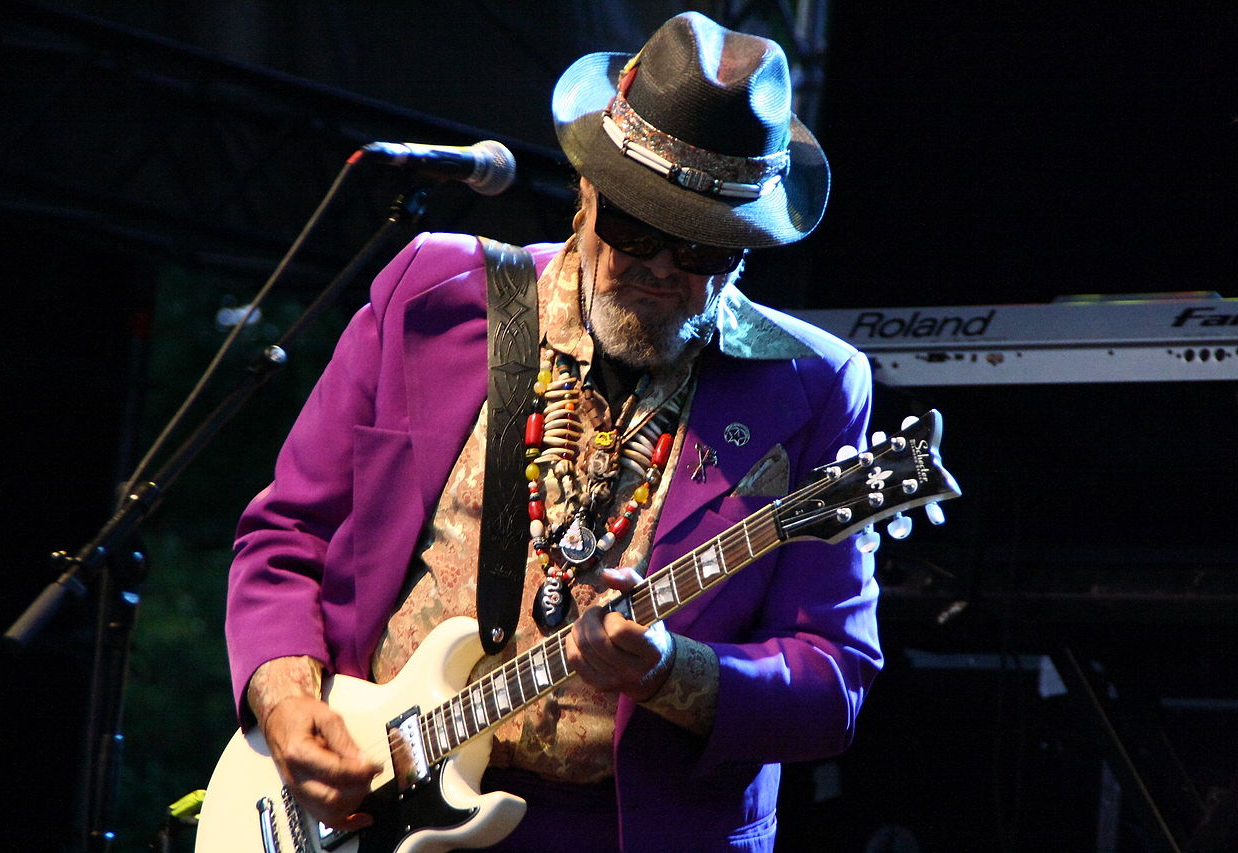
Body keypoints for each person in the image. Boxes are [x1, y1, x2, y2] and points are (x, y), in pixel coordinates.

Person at [224, 11, 881, 851]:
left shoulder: (816, 386)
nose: (661, 272)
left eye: (702, 254)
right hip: (373, 806)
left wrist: (676, 673)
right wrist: (284, 700)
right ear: (588, 193)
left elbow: (833, 681)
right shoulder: (432, 294)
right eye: (637, 231)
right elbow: (287, 532)